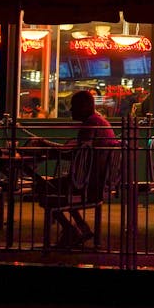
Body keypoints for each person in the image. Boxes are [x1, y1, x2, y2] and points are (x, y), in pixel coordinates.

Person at [31, 89, 118, 249]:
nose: (70, 110)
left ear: (85, 107)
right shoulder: (100, 121)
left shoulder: (90, 125)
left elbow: (74, 155)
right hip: (97, 182)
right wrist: (49, 146)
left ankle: (70, 229)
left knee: (42, 187)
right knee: (53, 187)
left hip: (85, 184)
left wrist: (44, 146)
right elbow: (77, 152)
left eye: (74, 106)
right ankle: (81, 226)